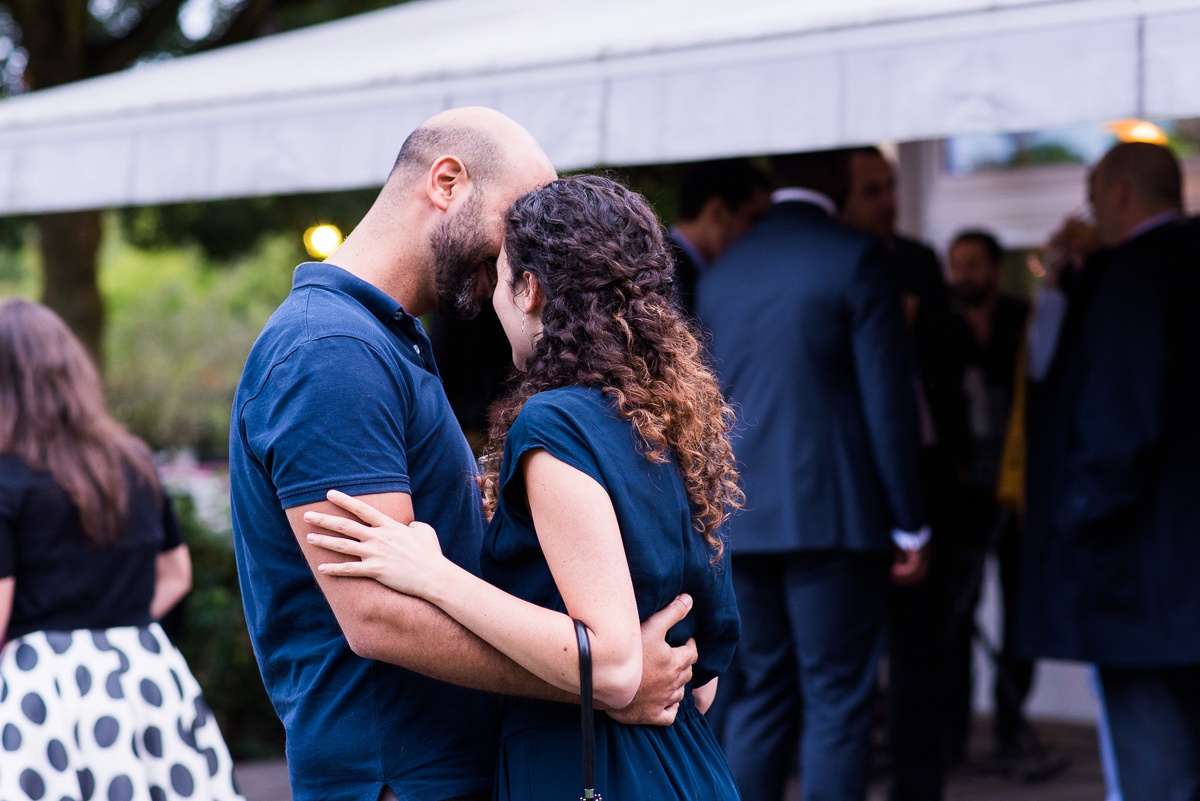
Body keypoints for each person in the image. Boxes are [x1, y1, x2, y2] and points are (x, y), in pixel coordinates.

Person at [228, 108, 697, 801]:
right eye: (516, 220)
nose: (524, 252)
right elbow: (379, 613)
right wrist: (600, 679)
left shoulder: (386, 338)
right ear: (446, 181)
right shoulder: (331, 352)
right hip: (401, 779)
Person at [303, 174, 743, 799]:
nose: (490, 300)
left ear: (530, 289)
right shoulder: (670, 425)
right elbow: (700, 684)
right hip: (687, 764)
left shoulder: (557, 424)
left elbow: (615, 665)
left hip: (586, 766)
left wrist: (431, 573)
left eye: (500, 275)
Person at [696, 150, 928, 801]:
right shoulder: (857, 257)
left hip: (743, 517)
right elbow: (889, 402)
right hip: (834, 515)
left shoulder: (724, 270)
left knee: (762, 692)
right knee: (838, 700)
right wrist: (910, 520)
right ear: (839, 183)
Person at [0, 298, 243, 801]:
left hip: (41, 690)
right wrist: (114, 622)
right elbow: (177, 573)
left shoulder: (6, 480)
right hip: (142, 671)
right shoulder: (130, 460)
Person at [1017, 141, 1200, 801]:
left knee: (1156, 773)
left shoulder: (1135, 277)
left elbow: (1119, 427)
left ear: (1118, 194)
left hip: (1142, 579)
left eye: (1094, 195)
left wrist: (1074, 519)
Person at [839, 145, 962, 801]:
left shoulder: (915, 261)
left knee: (922, 648)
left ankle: (921, 783)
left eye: (891, 186)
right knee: (847, 667)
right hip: (848, 492)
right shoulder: (829, 264)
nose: (888, 199)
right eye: (872, 189)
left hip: (922, 470)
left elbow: (947, 368)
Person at [944, 229, 1033, 766]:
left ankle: (1012, 727)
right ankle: (954, 733)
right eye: (957, 265)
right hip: (960, 493)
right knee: (957, 614)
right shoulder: (943, 323)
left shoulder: (1023, 319)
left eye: (974, 265)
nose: (964, 276)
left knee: (1021, 613)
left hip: (1016, 486)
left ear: (997, 269)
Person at [668, 158, 771, 319]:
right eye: (754, 218)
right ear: (718, 212)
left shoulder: (671, 264)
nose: (759, 231)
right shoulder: (668, 275)